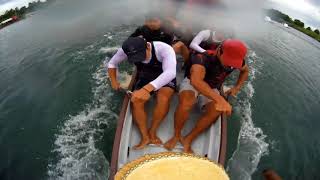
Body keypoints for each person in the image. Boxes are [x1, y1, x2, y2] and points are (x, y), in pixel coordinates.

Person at [164, 39, 249, 153]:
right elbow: (196, 81)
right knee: (186, 103)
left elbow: (245, 71)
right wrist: (221, 100)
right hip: (192, 82)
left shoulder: (239, 62)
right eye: (227, 60)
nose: (229, 64)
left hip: (212, 86)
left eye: (233, 63)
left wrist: (236, 88)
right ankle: (176, 135)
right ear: (219, 50)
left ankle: (189, 139)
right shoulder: (201, 58)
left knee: (215, 110)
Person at [106, 37, 177, 150]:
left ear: (148, 46)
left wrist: (146, 89)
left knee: (163, 99)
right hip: (146, 75)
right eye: (135, 58)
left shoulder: (164, 49)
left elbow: (170, 73)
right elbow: (112, 64)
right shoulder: (125, 50)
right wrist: (113, 80)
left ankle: (153, 131)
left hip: (164, 76)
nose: (139, 59)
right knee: (136, 101)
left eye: (141, 56)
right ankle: (145, 137)